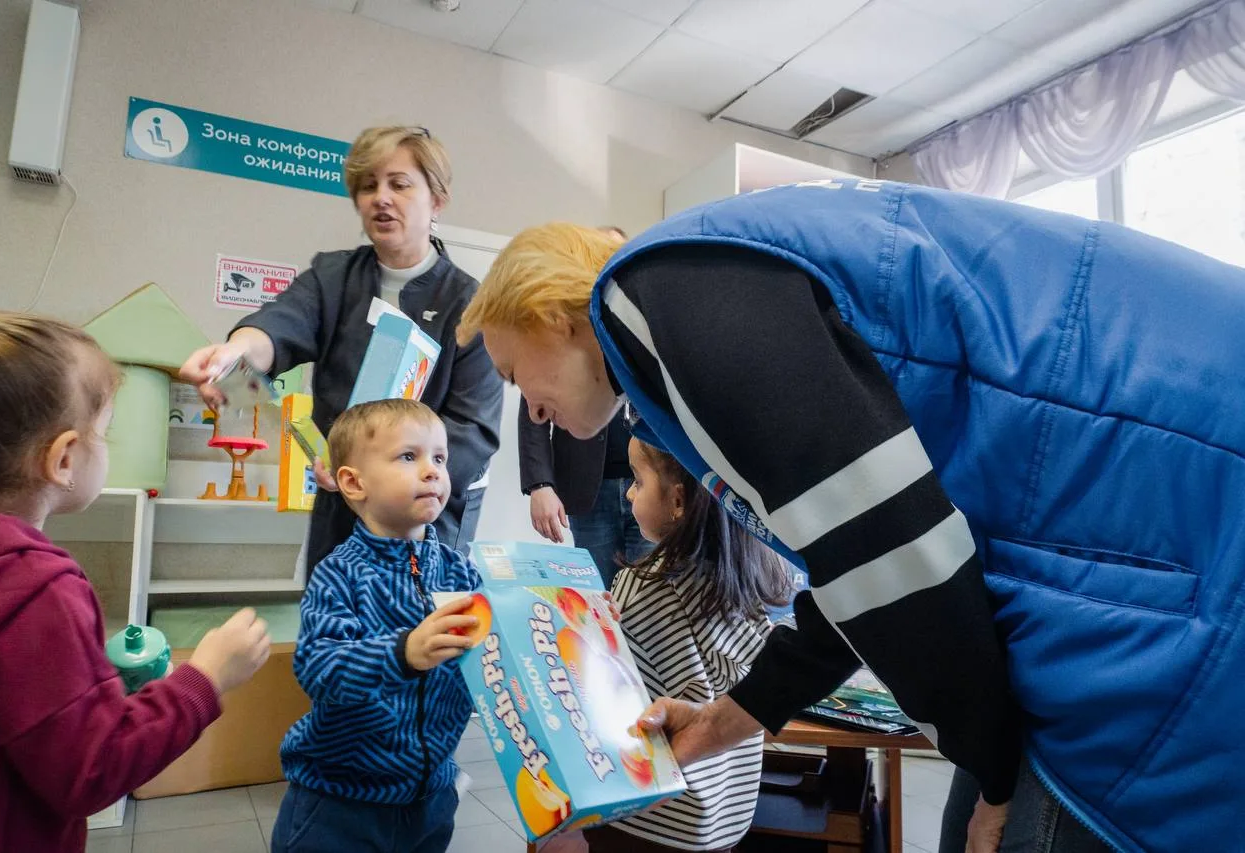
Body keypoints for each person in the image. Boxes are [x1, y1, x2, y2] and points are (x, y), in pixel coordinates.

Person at [455, 180, 1245, 853]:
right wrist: (721, 722)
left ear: (556, 316)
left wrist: (996, 771)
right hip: (1135, 533)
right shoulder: (697, 300)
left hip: (1175, 547)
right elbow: (855, 575)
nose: (532, 407)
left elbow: (895, 557)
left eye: (513, 369)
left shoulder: (659, 290)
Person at [0, 312, 271, 853]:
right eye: (104, 433)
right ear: (62, 459)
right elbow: (91, 768)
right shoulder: (38, 589)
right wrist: (206, 677)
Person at [180, 126, 502, 571]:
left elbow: (473, 428)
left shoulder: (468, 304)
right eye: (368, 186)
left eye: (400, 184)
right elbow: (278, 328)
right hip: (342, 499)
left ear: (437, 200)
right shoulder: (333, 278)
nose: (381, 198)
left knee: (417, 631)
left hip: (425, 516)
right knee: (334, 621)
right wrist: (234, 355)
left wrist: (393, 478)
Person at [272, 398, 481, 853]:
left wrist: (567, 616)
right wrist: (402, 652)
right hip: (340, 802)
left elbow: (498, 650)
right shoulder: (340, 573)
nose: (432, 471)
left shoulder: (460, 572)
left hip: (431, 796)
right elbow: (318, 667)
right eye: (410, 456)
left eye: (439, 458)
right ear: (353, 482)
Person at [579, 436, 791, 852]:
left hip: (648, 820)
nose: (627, 492)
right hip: (724, 818)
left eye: (637, 482)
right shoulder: (749, 577)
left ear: (678, 501)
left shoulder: (643, 586)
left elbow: (598, 693)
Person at [519, 226, 650, 586]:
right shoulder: (558, 329)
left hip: (655, 485)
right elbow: (532, 414)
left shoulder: (645, 320)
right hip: (587, 490)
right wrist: (539, 486)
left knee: (652, 599)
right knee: (596, 599)